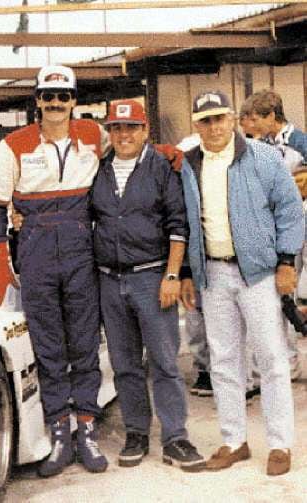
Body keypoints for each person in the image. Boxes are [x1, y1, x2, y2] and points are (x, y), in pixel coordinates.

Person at [0, 65, 110, 477]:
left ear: (74, 101)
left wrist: (171, 154)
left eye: (63, 97)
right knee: (49, 344)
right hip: (36, 248)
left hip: (80, 245)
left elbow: (127, 153)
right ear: (37, 100)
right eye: (48, 96)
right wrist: (1, 261)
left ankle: (87, 428)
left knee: (84, 341)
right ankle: (59, 432)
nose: (56, 104)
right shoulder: (13, 145)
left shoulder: (93, 135)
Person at [179, 90, 303, 476]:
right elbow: (182, 221)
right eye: (205, 120)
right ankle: (234, 440)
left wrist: (286, 261)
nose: (214, 127)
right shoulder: (188, 164)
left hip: (260, 274)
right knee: (224, 359)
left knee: (272, 358)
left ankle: (280, 443)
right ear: (196, 125)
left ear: (232, 119)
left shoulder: (263, 158)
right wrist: (186, 272)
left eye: (220, 118)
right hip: (213, 275)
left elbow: (289, 209)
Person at [91, 100, 205, 471]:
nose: (123, 136)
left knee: (165, 362)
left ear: (145, 131)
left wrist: (172, 274)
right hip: (109, 278)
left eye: (131, 128)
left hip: (152, 276)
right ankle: (136, 432)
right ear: (110, 132)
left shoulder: (162, 167)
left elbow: (177, 224)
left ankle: (175, 438)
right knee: (124, 364)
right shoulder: (99, 169)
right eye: (117, 129)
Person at [248, 89, 307, 160]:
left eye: (255, 120)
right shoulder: (261, 144)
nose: (252, 125)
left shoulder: (301, 143)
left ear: (271, 116)